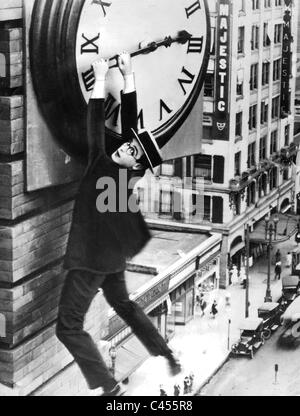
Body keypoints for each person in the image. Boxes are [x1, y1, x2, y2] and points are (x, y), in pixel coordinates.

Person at [56, 54, 181, 396]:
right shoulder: (127, 177)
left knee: (67, 327)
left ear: (134, 162)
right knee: (123, 304)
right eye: (128, 144)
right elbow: (129, 132)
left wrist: (98, 80)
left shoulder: (103, 168)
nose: (124, 145)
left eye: (130, 149)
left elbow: (95, 126)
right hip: (112, 260)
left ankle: (109, 387)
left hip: (90, 261)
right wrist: (129, 77)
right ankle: (166, 352)